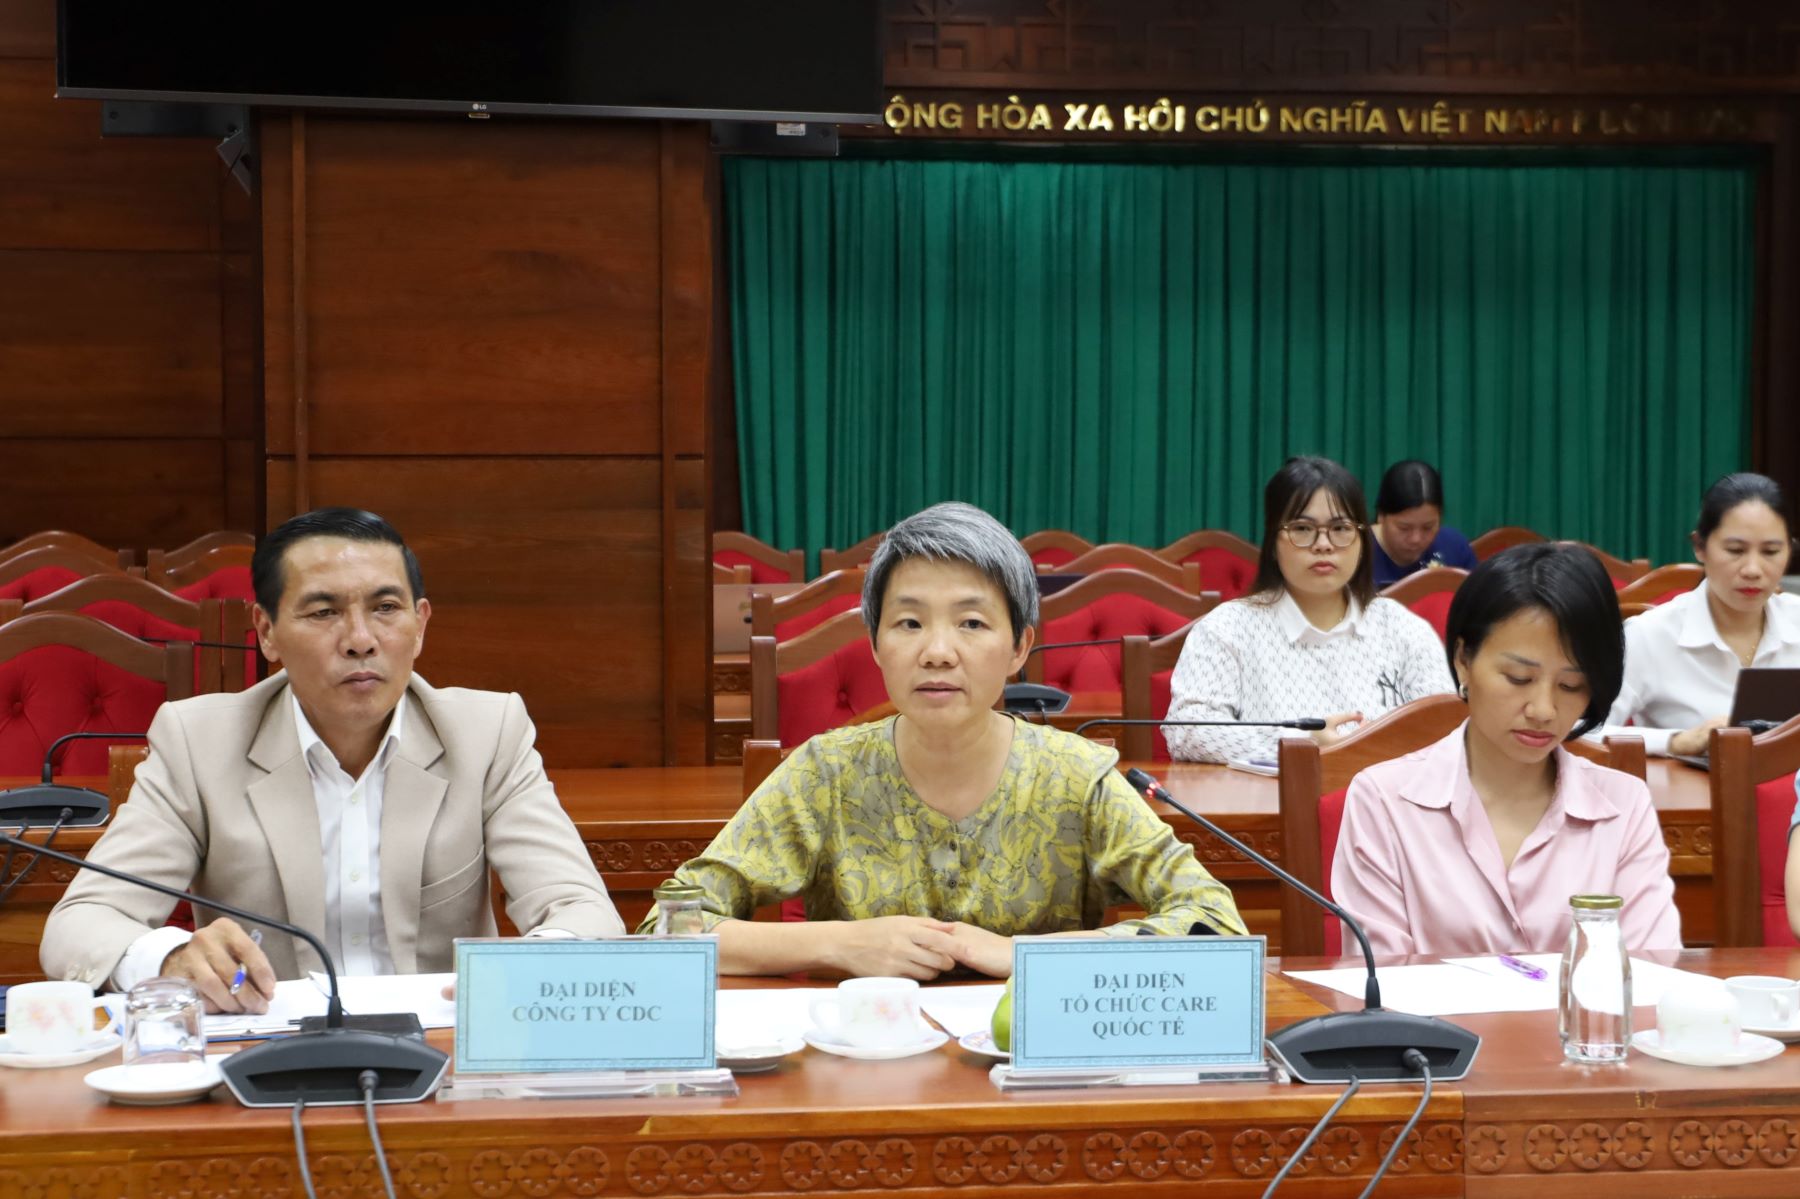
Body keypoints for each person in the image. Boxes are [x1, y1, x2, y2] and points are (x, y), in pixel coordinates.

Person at [41, 508, 625, 1012]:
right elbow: (79, 926)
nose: (360, 639)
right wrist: (169, 958)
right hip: (270, 1056)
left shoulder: (486, 733)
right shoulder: (200, 742)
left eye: (386, 608)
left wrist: (532, 968)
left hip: (443, 1053)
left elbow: (584, 911)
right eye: (323, 612)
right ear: (267, 632)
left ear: (420, 625)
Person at [641, 501, 1246, 977]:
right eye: (909, 622)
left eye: (971, 623)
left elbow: (1216, 925)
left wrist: (1023, 954)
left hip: (1035, 1068)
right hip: (867, 1068)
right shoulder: (825, 772)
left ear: (1019, 648)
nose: (937, 652)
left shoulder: (1075, 777)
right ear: (875, 644)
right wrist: (838, 943)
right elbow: (666, 929)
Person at [1332, 543, 1681, 956]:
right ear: (1463, 660)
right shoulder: (1384, 801)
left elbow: (1649, 969)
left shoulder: (1624, 805)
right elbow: (1379, 976)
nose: (1543, 710)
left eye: (1571, 685)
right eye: (1518, 678)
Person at [1164, 456, 1454, 764]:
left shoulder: (1403, 628)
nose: (1323, 544)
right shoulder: (1228, 629)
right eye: (1303, 528)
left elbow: (1446, 728)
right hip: (1277, 794)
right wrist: (1302, 745)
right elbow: (1186, 730)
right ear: (1273, 542)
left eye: (1340, 528)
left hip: (1389, 793)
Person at [1603, 473, 1800, 757]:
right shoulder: (1649, 636)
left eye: (1770, 552)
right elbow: (1583, 731)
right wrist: (1674, 741)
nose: (1753, 570)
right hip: (1691, 786)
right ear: (1699, 546)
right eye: (1735, 550)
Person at [1369, 459, 1479, 589]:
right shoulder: (1356, 553)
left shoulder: (1455, 547)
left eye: (1428, 527)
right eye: (1404, 528)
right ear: (1381, 516)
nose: (1416, 539)